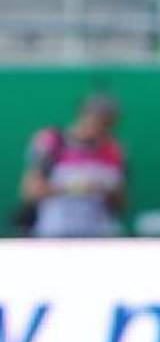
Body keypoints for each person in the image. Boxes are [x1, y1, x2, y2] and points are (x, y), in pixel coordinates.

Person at [19, 93, 126, 238]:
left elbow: (120, 202)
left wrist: (105, 190)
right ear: (83, 114)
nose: (101, 128)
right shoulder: (52, 142)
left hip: (98, 235)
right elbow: (30, 191)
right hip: (54, 234)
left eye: (108, 123)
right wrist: (77, 187)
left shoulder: (114, 150)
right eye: (98, 120)